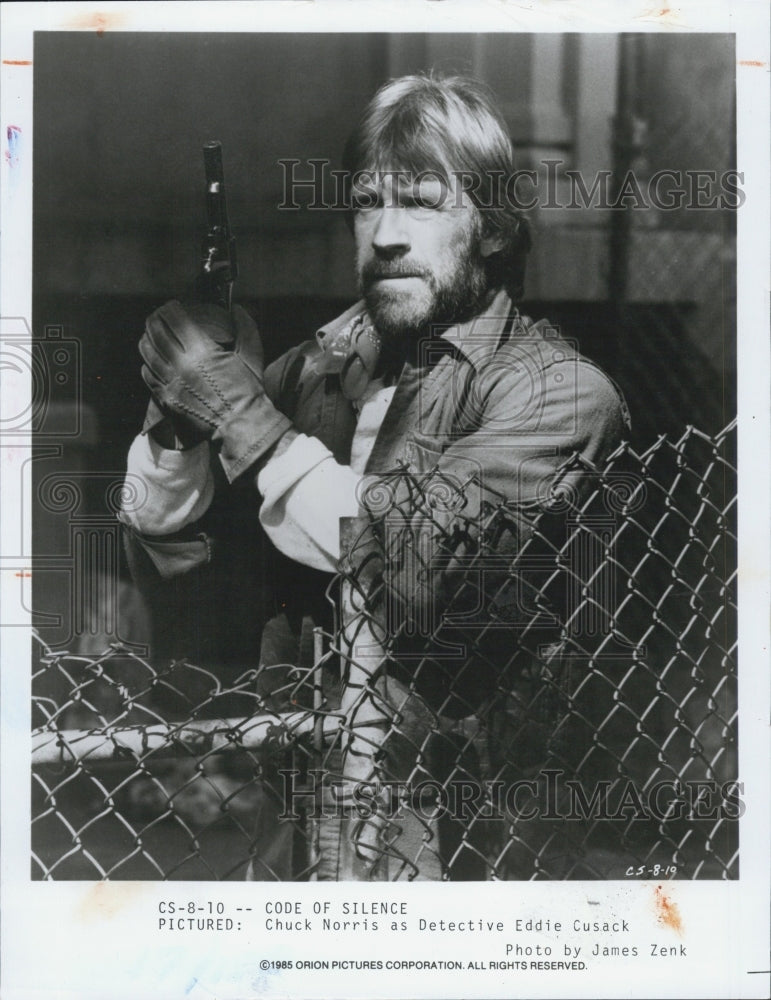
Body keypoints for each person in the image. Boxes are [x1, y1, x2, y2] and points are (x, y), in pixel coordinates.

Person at [121, 73, 630, 881]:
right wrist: (179, 414)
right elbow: (172, 547)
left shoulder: (555, 391)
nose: (385, 233)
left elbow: (416, 566)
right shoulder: (327, 367)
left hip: (468, 848)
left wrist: (241, 414)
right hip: (308, 816)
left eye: (423, 201)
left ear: (494, 227)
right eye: (367, 202)